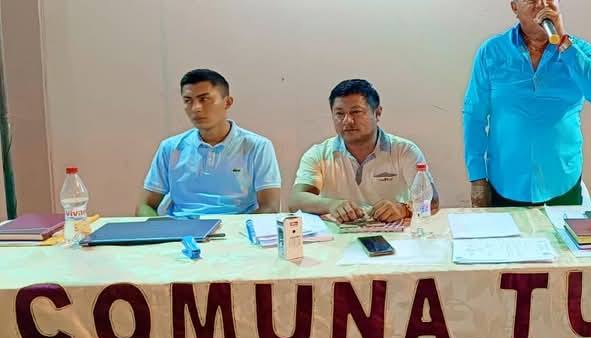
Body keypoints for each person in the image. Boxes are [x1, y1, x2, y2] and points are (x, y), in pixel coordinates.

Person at [463, 0, 591, 207]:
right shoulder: (492, 52)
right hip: (507, 181)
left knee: (564, 235)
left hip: (561, 181)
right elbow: (474, 116)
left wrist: (564, 44)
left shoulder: (581, 51)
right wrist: (477, 177)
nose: (542, 4)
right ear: (515, 8)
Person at [290, 79, 439, 224]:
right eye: (340, 114)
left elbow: (432, 201)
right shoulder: (318, 154)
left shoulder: (404, 150)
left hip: (393, 235)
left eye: (356, 112)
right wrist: (331, 205)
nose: (347, 120)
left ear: (378, 113)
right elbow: (296, 201)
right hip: (336, 237)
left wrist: (403, 209)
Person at [138, 69, 281, 217]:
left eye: (204, 99)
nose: (196, 108)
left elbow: (270, 207)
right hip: (181, 226)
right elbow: (146, 205)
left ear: (227, 102)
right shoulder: (171, 148)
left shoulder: (257, 147)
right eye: (188, 101)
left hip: (236, 225)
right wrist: (155, 228)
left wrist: (238, 227)